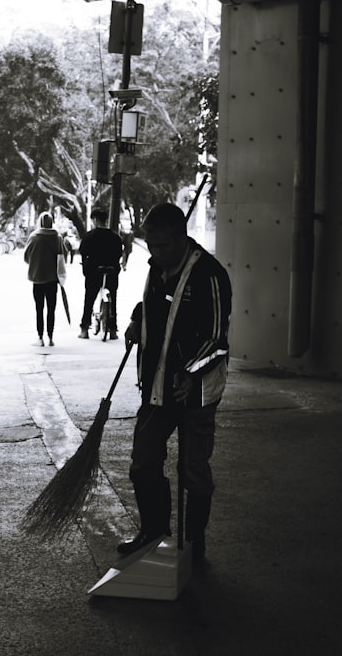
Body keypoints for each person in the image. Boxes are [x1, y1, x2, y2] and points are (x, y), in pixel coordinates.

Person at [118, 202, 232, 569]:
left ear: (182, 238)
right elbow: (150, 306)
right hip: (156, 388)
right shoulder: (157, 267)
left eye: (163, 246)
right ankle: (154, 532)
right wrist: (137, 320)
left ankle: (194, 543)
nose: (155, 254)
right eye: (150, 246)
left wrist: (190, 372)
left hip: (196, 392)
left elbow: (217, 338)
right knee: (142, 464)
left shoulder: (210, 275)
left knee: (192, 470)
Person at [78, 209, 124, 340]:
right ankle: (113, 330)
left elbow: (83, 254)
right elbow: (119, 254)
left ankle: (84, 329)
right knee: (113, 300)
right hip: (111, 272)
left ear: (95, 220)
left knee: (89, 300)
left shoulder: (89, 236)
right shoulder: (115, 237)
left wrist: (85, 269)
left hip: (94, 272)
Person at [23, 211, 65, 347]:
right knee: (51, 309)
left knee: (39, 309)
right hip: (53, 279)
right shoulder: (57, 237)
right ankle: (51, 337)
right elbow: (63, 255)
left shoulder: (34, 237)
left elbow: (26, 257)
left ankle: (40, 337)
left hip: (38, 278)